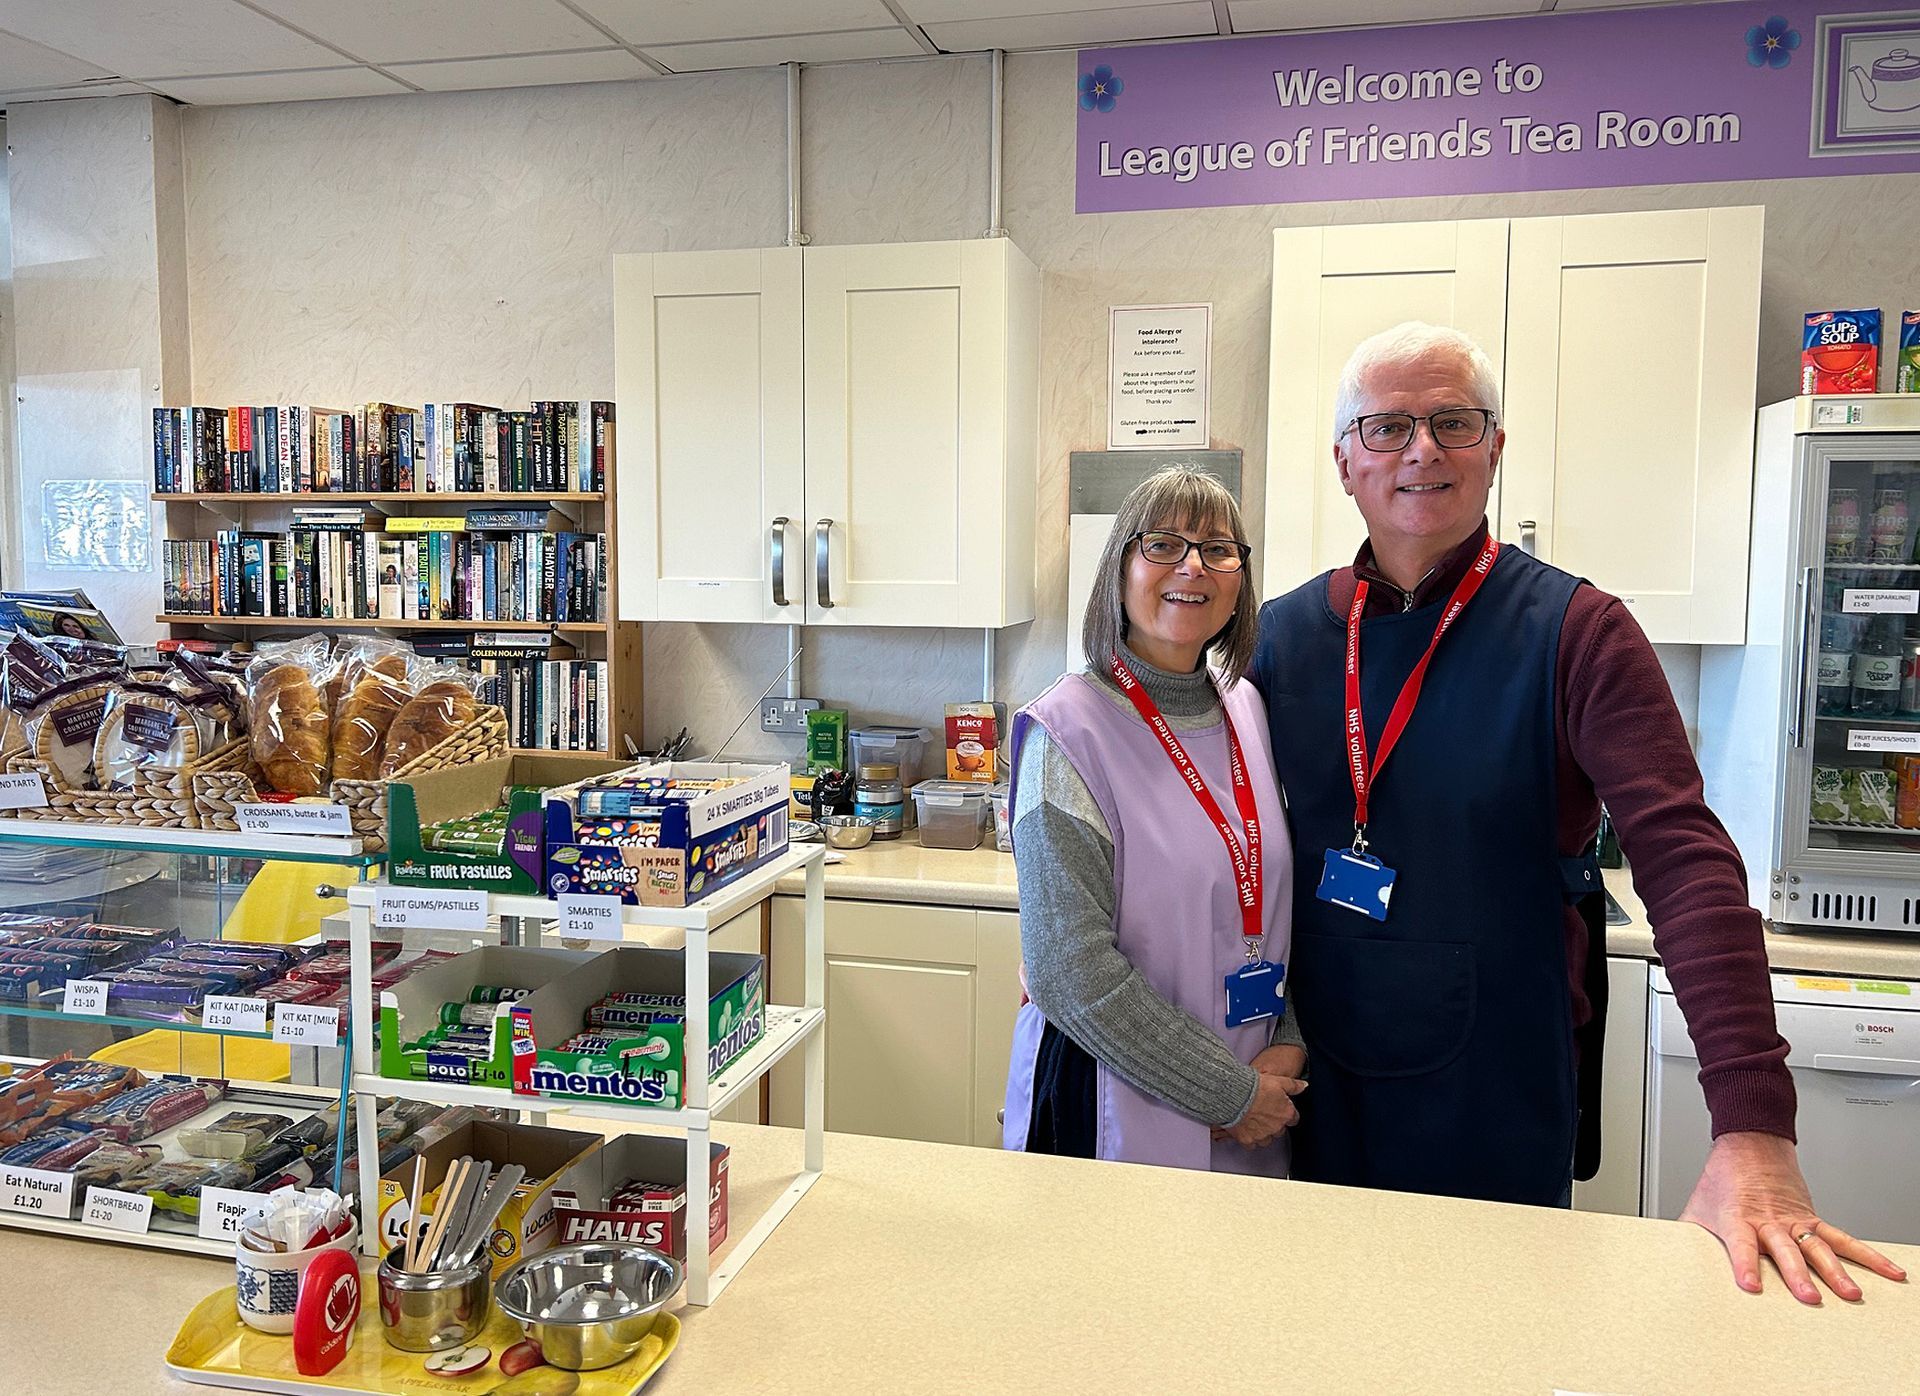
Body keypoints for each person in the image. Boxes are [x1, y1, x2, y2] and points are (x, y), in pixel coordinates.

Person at [1251, 320, 1907, 1303]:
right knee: (1309, 1326)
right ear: (1344, 460)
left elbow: (1686, 863)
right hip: (1305, 1075)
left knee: (1487, 1336)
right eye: (1386, 427)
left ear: (1496, 450)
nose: (1421, 449)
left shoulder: (1578, 631)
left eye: (1453, 422)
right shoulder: (1282, 635)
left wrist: (1754, 1125)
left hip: (1494, 1077)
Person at [1002, 467, 1305, 1172]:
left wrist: (1287, 1032)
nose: (1193, 567)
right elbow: (1070, 975)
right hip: (1113, 1104)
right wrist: (1230, 1094)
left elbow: (1270, 904)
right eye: (1163, 543)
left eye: (1219, 548)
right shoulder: (1067, 733)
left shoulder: (1246, 709)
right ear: (1120, 570)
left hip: (1254, 1096)